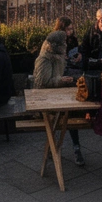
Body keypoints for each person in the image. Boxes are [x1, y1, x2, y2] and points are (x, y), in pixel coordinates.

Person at [33, 29, 85, 166]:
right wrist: (61, 80)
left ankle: (75, 147)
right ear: (57, 45)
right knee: (67, 116)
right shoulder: (44, 60)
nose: (66, 45)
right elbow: (42, 84)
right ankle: (59, 148)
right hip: (46, 102)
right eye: (63, 43)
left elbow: (61, 73)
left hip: (59, 96)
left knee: (72, 112)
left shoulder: (59, 57)